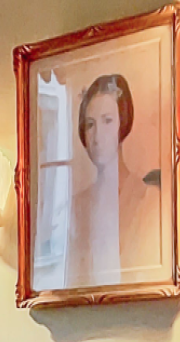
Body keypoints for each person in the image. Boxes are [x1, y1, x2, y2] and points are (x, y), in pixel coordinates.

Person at [67, 73, 159, 286]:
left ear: (122, 124)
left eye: (107, 121)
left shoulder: (148, 200)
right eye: (90, 124)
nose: (97, 136)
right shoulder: (76, 207)